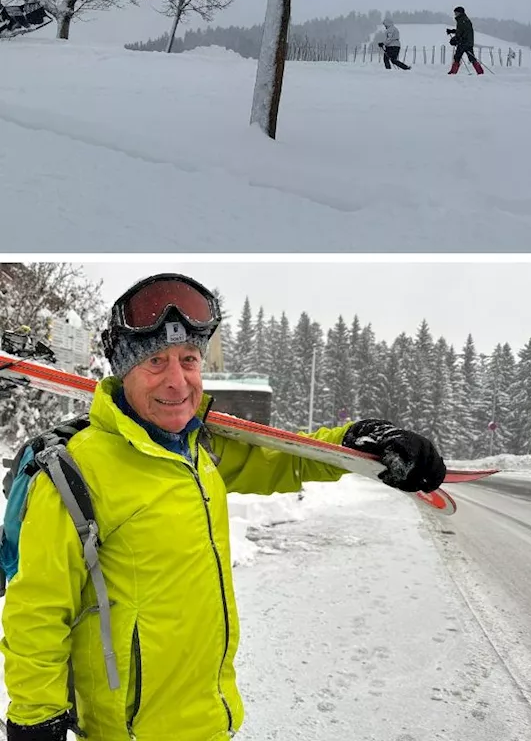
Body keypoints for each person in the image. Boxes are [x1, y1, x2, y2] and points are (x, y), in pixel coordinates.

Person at [0, 273, 445, 741]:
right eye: (156, 361)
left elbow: (288, 459)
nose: (177, 381)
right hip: (131, 732)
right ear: (123, 372)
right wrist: (35, 719)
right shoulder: (75, 472)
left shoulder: (200, 451)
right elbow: (38, 613)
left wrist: (358, 442)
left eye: (188, 359)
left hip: (214, 720)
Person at [445, 5, 483, 75]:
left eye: (456, 12)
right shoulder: (462, 20)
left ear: (460, 13)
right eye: (455, 13)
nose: (455, 14)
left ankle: (453, 72)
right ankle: (480, 72)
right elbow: (460, 31)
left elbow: (467, 32)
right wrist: (452, 31)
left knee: (459, 57)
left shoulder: (463, 20)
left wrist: (457, 39)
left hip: (464, 43)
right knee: (467, 57)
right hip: (465, 42)